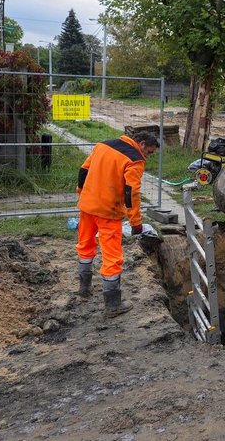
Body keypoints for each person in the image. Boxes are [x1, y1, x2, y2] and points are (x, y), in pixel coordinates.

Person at [74, 131, 159, 317]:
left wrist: (82, 192)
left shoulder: (103, 145)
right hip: (109, 212)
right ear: (142, 144)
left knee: (85, 245)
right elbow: (131, 192)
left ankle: (84, 289)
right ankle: (113, 305)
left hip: (87, 206)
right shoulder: (135, 159)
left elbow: (84, 170)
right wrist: (136, 222)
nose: (148, 156)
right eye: (149, 152)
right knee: (112, 257)